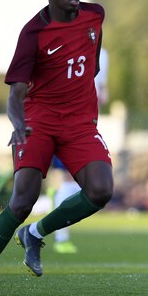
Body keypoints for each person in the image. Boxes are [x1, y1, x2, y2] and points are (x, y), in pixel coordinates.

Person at [0, 0, 114, 296]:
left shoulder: (95, 16)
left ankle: (36, 234)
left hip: (79, 123)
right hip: (38, 121)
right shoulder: (33, 33)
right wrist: (19, 124)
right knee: (23, 199)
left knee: (101, 190)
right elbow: (16, 93)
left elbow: (93, 62)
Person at [51, 47, 109, 254]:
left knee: (86, 183)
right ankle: (60, 237)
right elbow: (103, 95)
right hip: (68, 127)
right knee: (70, 180)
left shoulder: (100, 54)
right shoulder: (100, 53)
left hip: (85, 128)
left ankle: (57, 201)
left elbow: (101, 94)